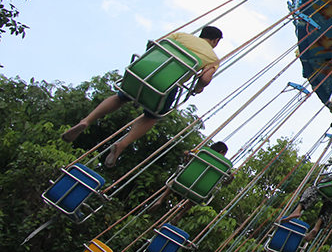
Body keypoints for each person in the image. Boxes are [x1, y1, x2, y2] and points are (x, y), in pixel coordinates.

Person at [61, 26, 223, 167]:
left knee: (120, 97)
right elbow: (204, 79)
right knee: (152, 117)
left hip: (144, 73)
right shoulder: (213, 58)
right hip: (165, 87)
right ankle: (122, 144)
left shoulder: (181, 35)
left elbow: (153, 45)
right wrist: (197, 89)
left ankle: (86, 120)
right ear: (215, 41)